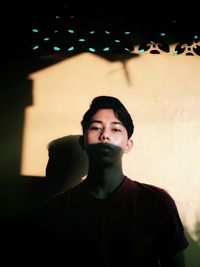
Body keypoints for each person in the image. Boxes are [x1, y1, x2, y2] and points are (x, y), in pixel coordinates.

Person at [30, 95, 189, 267]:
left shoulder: (156, 202)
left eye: (116, 129)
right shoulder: (57, 209)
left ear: (128, 145)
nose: (105, 135)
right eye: (96, 128)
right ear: (83, 142)